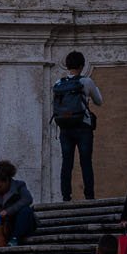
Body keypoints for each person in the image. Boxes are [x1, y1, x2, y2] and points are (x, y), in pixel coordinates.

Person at [53, 50, 104, 203]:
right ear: (82, 66)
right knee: (86, 162)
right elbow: (99, 101)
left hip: (65, 127)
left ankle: (66, 197)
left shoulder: (58, 83)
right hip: (83, 126)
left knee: (66, 163)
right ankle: (89, 196)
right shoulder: (86, 81)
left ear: (67, 65)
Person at [0, 161, 37, 244]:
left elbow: (27, 199)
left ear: (7, 181)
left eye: (0, 186)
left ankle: (15, 238)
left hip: (17, 221)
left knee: (26, 210)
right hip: (3, 224)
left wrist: (8, 211)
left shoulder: (19, 185)